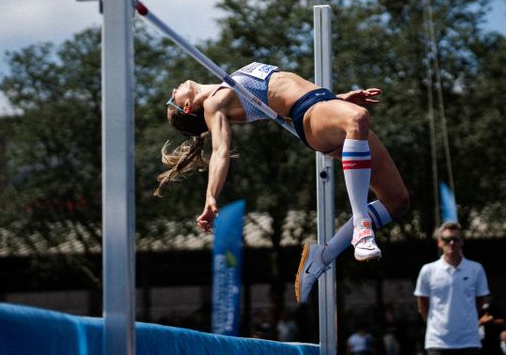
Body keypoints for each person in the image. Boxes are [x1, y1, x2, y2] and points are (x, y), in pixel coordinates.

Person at [154, 62, 409, 302]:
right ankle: (362, 228)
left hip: (324, 103)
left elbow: (279, 95)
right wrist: (211, 196)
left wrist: (339, 100)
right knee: (357, 118)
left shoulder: (228, 86)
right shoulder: (213, 105)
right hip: (310, 114)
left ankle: (323, 255)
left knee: (396, 202)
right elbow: (220, 150)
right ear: (186, 107)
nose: (173, 90)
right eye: (172, 97)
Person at [414, 222, 490, 354]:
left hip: (469, 341)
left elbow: (479, 302)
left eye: (455, 239)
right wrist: (436, 326)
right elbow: (423, 307)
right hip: (437, 342)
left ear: (462, 242)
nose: (451, 243)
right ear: (439, 242)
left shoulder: (476, 269)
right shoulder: (428, 270)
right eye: (447, 239)